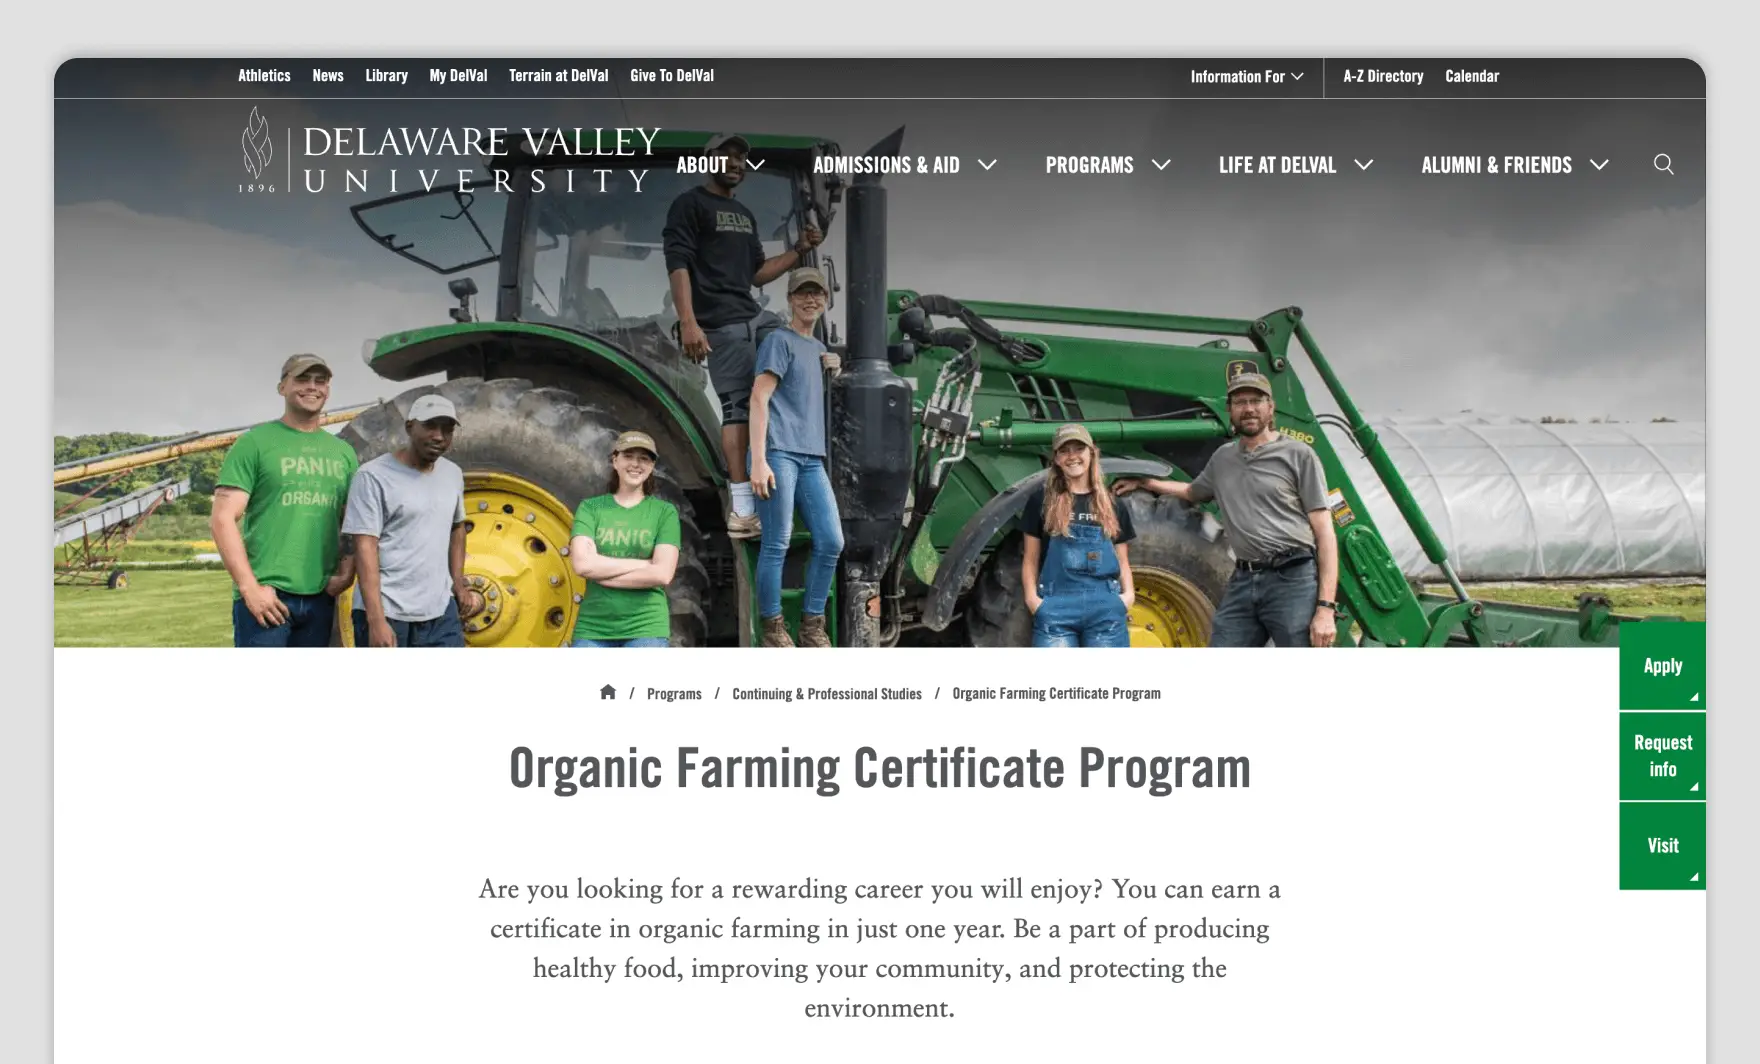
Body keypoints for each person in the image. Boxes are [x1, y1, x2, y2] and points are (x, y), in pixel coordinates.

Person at [664, 131, 822, 540]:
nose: (735, 163)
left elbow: (757, 274)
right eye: (726, 156)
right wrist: (689, 321)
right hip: (720, 323)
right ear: (708, 162)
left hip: (752, 315)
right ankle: (742, 507)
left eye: (740, 159)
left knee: (793, 355)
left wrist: (800, 249)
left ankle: (792, 475)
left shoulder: (745, 215)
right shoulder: (690, 205)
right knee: (737, 404)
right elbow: (678, 263)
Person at [1113, 371, 1339, 647]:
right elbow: (1191, 492)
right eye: (1240, 402)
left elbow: (1325, 533)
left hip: (1291, 578)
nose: (1249, 409)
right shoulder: (1223, 458)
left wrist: (1326, 608)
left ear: (1271, 407)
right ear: (1229, 410)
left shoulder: (1298, 455)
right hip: (1244, 579)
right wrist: (1147, 482)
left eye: (1256, 400)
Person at [211, 353, 359, 647]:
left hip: (320, 597)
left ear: (328, 389)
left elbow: (352, 520)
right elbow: (222, 518)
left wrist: (347, 571)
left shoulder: (343, 453)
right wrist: (249, 588)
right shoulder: (255, 442)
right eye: (302, 379)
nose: (312, 387)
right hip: (267, 596)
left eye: (321, 381)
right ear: (282, 387)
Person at [749, 267, 845, 648]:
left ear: (825, 300)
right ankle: (772, 628)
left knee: (832, 541)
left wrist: (833, 370)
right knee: (778, 541)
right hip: (779, 452)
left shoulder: (819, 349)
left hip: (811, 458)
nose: (811, 299)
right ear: (790, 299)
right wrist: (759, 460)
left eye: (817, 293)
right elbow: (759, 398)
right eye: (803, 293)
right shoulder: (778, 340)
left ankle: (811, 625)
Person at [340, 395, 484, 648]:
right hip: (389, 612)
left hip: (440, 613)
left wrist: (458, 585)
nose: (439, 436)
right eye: (430, 426)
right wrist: (376, 621)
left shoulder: (452, 474)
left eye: (447, 429)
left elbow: (457, 527)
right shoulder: (373, 477)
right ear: (409, 427)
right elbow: (365, 547)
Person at [1018, 424, 1137, 648]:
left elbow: (1122, 560)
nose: (1072, 456)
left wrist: (1128, 596)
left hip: (1105, 610)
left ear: (1092, 453)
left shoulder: (1112, 504)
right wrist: (1033, 601)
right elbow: (1030, 559)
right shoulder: (1041, 501)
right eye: (1064, 450)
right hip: (1056, 611)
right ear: (1056, 458)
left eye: (1078, 449)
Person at [567, 430, 682, 648]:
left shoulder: (664, 512)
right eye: (628, 456)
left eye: (644, 458)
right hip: (593, 627)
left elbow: (662, 574)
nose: (635, 464)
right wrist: (643, 565)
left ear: (652, 466)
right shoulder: (591, 508)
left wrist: (600, 570)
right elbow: (582, 565)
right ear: (615, 460)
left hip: (646, 626)